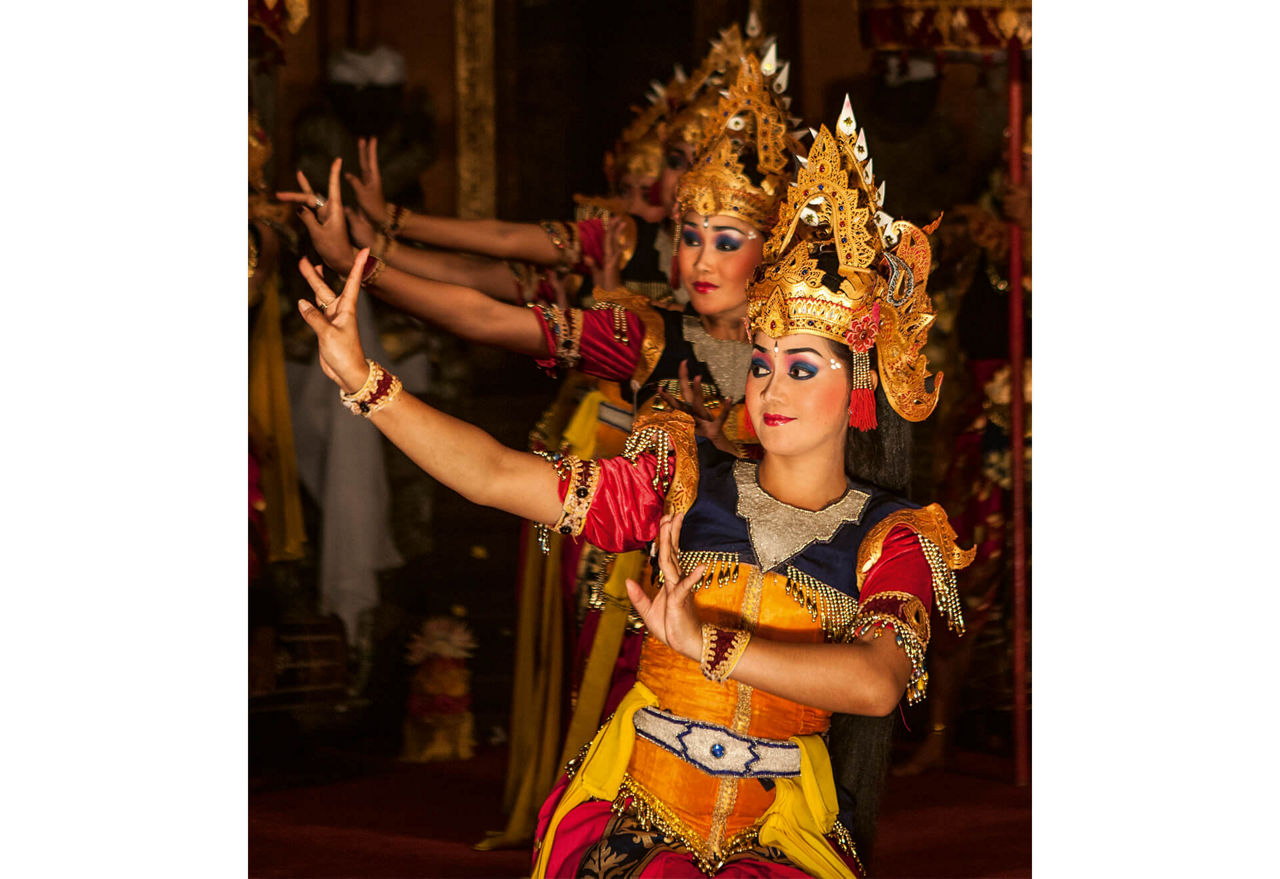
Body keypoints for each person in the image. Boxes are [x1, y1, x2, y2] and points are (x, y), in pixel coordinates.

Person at [293, 98, 971, 877]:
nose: (769, 388)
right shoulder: (680, 479)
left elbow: (877, 683)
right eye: (762, 362)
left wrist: (711, 644)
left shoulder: (895, 536)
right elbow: (493, 474)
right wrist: (367, 381)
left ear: (861, 389)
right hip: (638, 816)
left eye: (801, 367)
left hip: (777, 831)